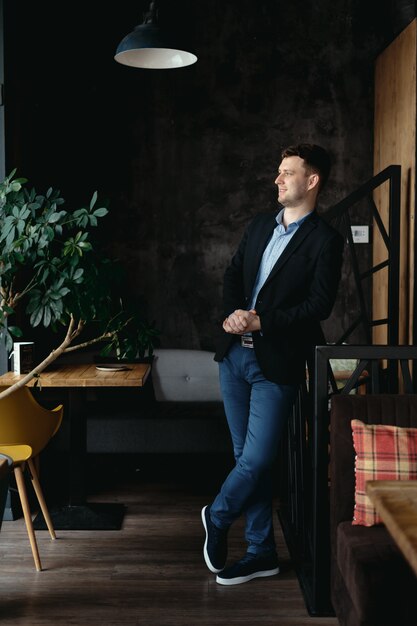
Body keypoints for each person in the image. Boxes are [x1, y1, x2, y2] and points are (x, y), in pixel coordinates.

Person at [201, 143, 344, 586]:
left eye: (287, 172)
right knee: (248, 459)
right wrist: (231, 315)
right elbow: (232, 274)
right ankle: (261, 551)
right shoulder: (260, 225)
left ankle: (218, 515)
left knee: (259, 457)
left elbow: (319, 306)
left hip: (275, 363)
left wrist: (263, 321)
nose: (277, 179)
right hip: (233, 359)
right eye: (278, 172)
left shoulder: (325, 240)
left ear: (312, 180)